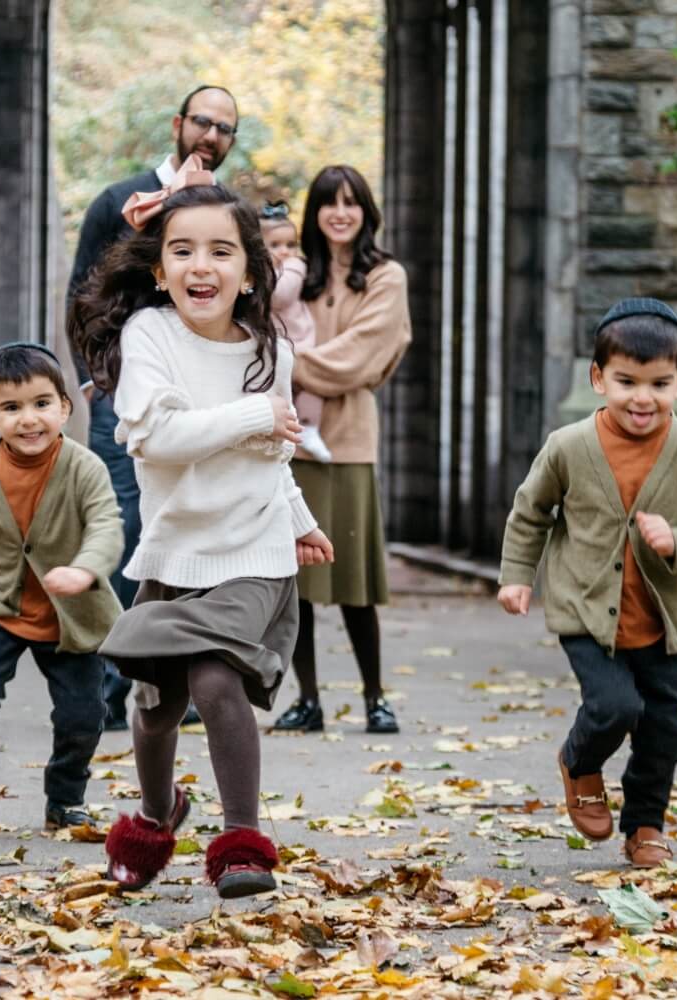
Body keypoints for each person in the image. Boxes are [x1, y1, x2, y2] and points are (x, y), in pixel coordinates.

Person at [71, 180, 333, 898]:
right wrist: (253, 415)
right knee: (154, 704)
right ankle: (158, 818)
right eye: (182, 250)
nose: (201, 266)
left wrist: (301, 518)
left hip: (255, 550)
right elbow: (157, 440)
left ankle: (243, 845)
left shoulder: (267, 350)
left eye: (221, 251)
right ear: (159, 270)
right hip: (175, 552)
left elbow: (272, 458)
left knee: (216, 682)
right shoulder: (149, 336)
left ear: (249, 272)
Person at [495, 298, 677, 868]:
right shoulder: (569, 447)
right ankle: (580, 762)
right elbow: (531, 513)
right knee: (614, 706)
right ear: (598, 378)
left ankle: (646, 825)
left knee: (665, 732)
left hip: (662, 621)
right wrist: (516, 577)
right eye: (627, 381)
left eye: (659, 383)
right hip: (584, 611)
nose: (642, 398)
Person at [67, 85, 241, 732]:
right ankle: (112, 680)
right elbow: (84, 294)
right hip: (127, 395)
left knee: (191, 532)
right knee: (128, 528)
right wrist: (97, 380)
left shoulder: (227, 212)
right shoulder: (120, 201)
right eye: (203, 122)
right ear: (178, 125)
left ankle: (171, 675)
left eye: (225, 128)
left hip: (204, 397)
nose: (212, 136)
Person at [0, 344, 124, 830]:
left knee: (84, 713)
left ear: (64, 406)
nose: (28, 419)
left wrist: (84, 569)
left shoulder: (84, 468)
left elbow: (106, 524)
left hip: (71, 615)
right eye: (11, 408)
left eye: (41, 404)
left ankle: (65, 796)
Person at [269, 166, 411, 736]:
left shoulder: (385, 276)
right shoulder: (296, 273)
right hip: (290, 441)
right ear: (316, 212)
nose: (341, 213)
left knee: (353, 579)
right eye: (330, 203)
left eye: (352, 203)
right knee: (296, 581)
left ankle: (376, 696)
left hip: (348, 440)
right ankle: (308, 699)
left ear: (366, 210)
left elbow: (364, 354)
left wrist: (285, 364)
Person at [261, 201, 331, 463]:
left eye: (291, 245)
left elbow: (280, 295)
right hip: (273, 345)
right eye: (275, 245)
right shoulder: (260, 270)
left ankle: (310, 427)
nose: (285, 251)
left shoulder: (294, 267)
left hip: (298, 341)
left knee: (311, 389)